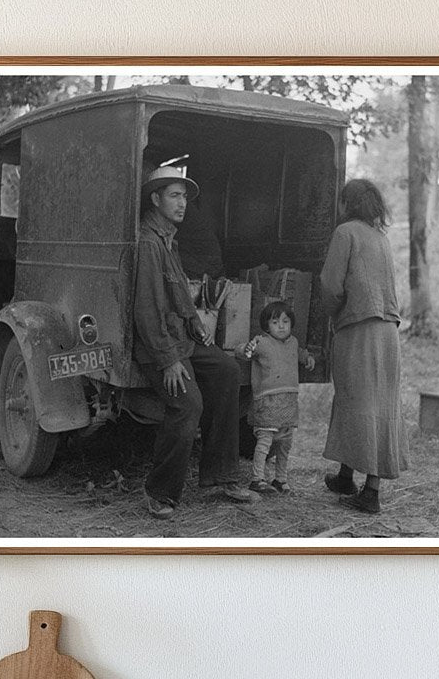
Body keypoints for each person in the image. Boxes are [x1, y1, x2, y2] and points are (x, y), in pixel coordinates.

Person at [133, 166, 254, 519]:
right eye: (174, 195)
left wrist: (196, 324)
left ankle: (220, 476)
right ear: (155, 199)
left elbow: (177, 292)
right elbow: (146, 310)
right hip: (160, 347)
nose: (182, 203)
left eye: (184, 196)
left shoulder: (168, 239)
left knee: (228, 370)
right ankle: (160, 492)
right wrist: (168, 360)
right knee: (188, 405)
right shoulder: (148, 243)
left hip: (182, 338)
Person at [319, 178, 408, 514]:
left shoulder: (346, 233)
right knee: (377, 403)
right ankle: (348, 477)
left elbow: (331, 285)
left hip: (358, 329)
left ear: (348, 204)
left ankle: (370, 493)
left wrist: (333, 313)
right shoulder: (380, 238)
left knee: (355, 401)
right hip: (388, 333)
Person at [239, 300, 315, 495]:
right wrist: (246, 348)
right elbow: (243, 351)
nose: (281, 326)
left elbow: (299, 353)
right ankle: (257, 479)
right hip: (268, 401)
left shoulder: (293, 342)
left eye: (285, 321)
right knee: (264, 442)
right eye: (275, 322)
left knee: (284, 443)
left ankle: (280, 479)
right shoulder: (262, 342)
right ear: (266, 325)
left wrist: (307, 358)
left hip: (289, 402)